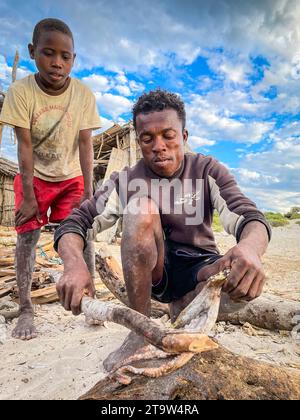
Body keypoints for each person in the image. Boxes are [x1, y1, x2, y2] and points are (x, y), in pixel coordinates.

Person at [53, 89, 271, 371]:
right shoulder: (126, 180)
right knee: (140, 208)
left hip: (200, 272)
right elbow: (75, 223)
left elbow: (250, 218)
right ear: (139, 141)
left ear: (184, 136)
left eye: (168, 135)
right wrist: (73, 264)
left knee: (240, 278)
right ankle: (139, 332)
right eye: (148, 138)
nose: (159, 146)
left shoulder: (207, 170)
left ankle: (184, 307)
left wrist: (251, 249)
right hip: (155, 276)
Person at [0, 18, 101, 340]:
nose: (57, 63)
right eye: (48, 53)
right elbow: (25, 146)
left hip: (71, 177)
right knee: (27, 240)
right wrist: (29, 195)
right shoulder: (20, 92)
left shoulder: (83, 94)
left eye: (65, 56)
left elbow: (86, 144)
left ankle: (91, 296)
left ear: (73, 58)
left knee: (82, 237)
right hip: (35, 179)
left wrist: (88, 188)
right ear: (33, 52)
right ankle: (26, 306)